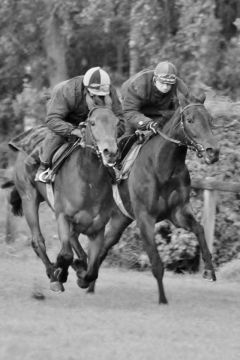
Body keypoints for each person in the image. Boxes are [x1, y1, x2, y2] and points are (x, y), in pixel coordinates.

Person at [35, 66, 125, 182]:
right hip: (67, 118)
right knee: (55, 137)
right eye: (93, 95)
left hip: (94, 122)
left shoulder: (108, 90)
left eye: (102, 96)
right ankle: (43, 168)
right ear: (86, 89)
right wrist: (74, 130)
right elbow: (52, 119)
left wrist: (108, 134)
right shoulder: (68, 90)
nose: (98, 98)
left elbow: (120, 120)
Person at [121, 61, 192, 135]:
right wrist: (147, 124)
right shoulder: (139, 85)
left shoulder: (180, 87)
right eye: (162, 83)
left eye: (169, 84)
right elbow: (129, 110)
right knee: (127, 137)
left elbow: (188, 109)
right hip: (135, 111)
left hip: (161, 112)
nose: (165, 87)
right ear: (155, 80)